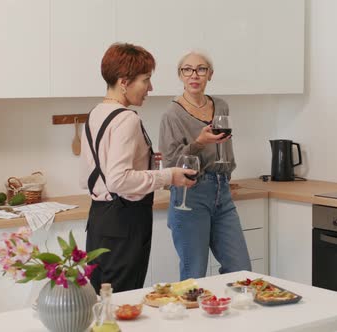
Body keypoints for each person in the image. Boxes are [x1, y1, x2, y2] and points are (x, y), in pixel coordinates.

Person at [81, 43, 196, 294]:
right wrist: (169, 175)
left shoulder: (95, 113)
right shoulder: (127, 118)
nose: (150, 88)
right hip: (125, 223)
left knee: (102, 302)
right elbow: (118, 180)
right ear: (124, 82)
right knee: (124, 302)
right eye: (146, 80)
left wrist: (144, 161)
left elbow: (92, 174)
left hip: (99, 221)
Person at [159, 50, 251, 280]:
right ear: (180, 75)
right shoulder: (172, 114)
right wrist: (198, 143)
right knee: (194, 275)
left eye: (201, 69)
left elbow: (224, 147)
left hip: (222, 192)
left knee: (241, 270)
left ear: (210, 74)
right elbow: (171, 164)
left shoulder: (221, 106)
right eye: (187, 70)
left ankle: (225, 314)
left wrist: (225, 174)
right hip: (190, 194)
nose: (194, 75)